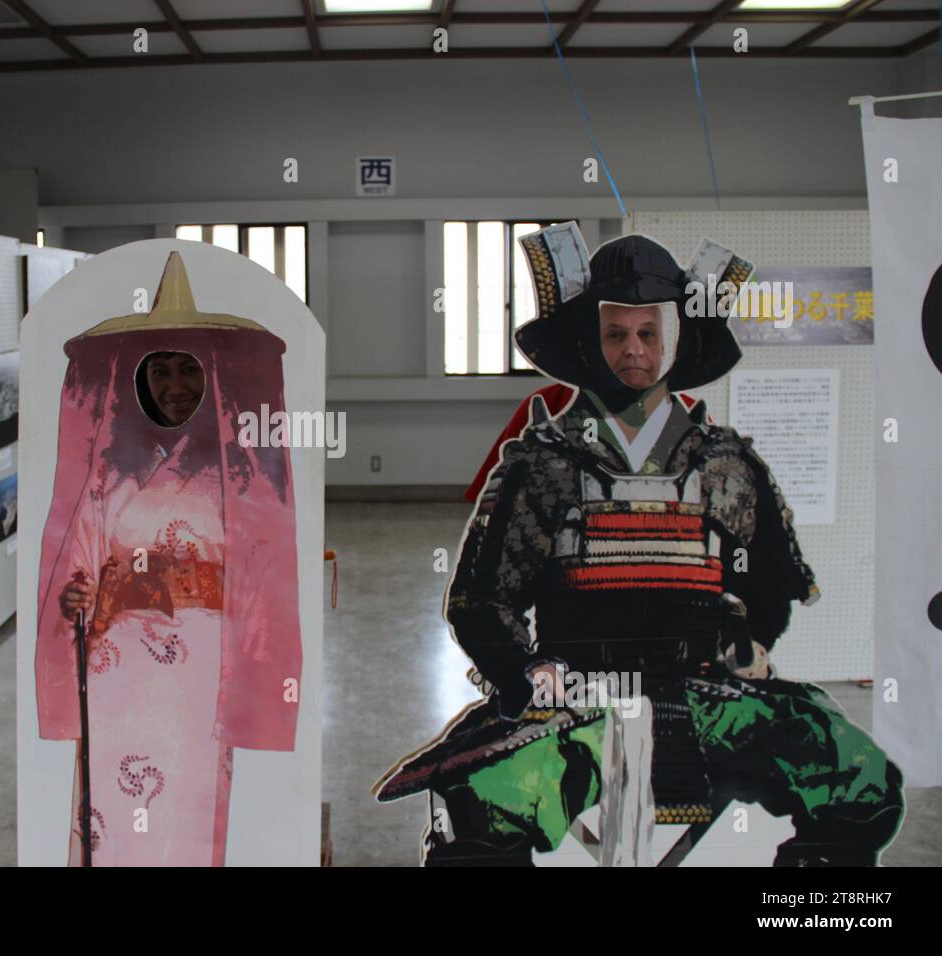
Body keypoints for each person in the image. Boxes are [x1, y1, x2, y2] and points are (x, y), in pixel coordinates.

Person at [375, 224, 903, 867]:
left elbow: (769, 583)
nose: (634, 350)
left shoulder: (726, 463)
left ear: (674, 339)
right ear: (592, 343)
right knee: (481, 800)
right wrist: (525, 671)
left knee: (857, 773)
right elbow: (482, 602)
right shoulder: (544, 466)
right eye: (617, 333)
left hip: (709, 697)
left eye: (648, 333)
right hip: (579, 703)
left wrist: (755, 642)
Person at [35, 252, 302, 867]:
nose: (175, 386)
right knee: (111, 811)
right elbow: (79, 562)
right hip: (116, 671)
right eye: (161, 372)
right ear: (139, 379)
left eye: (188, 371)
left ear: (210, 377)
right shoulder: (108, 468)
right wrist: (76, 596)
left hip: (203, 668)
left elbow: (261, 572)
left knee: (191, 805)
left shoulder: (238, 470)